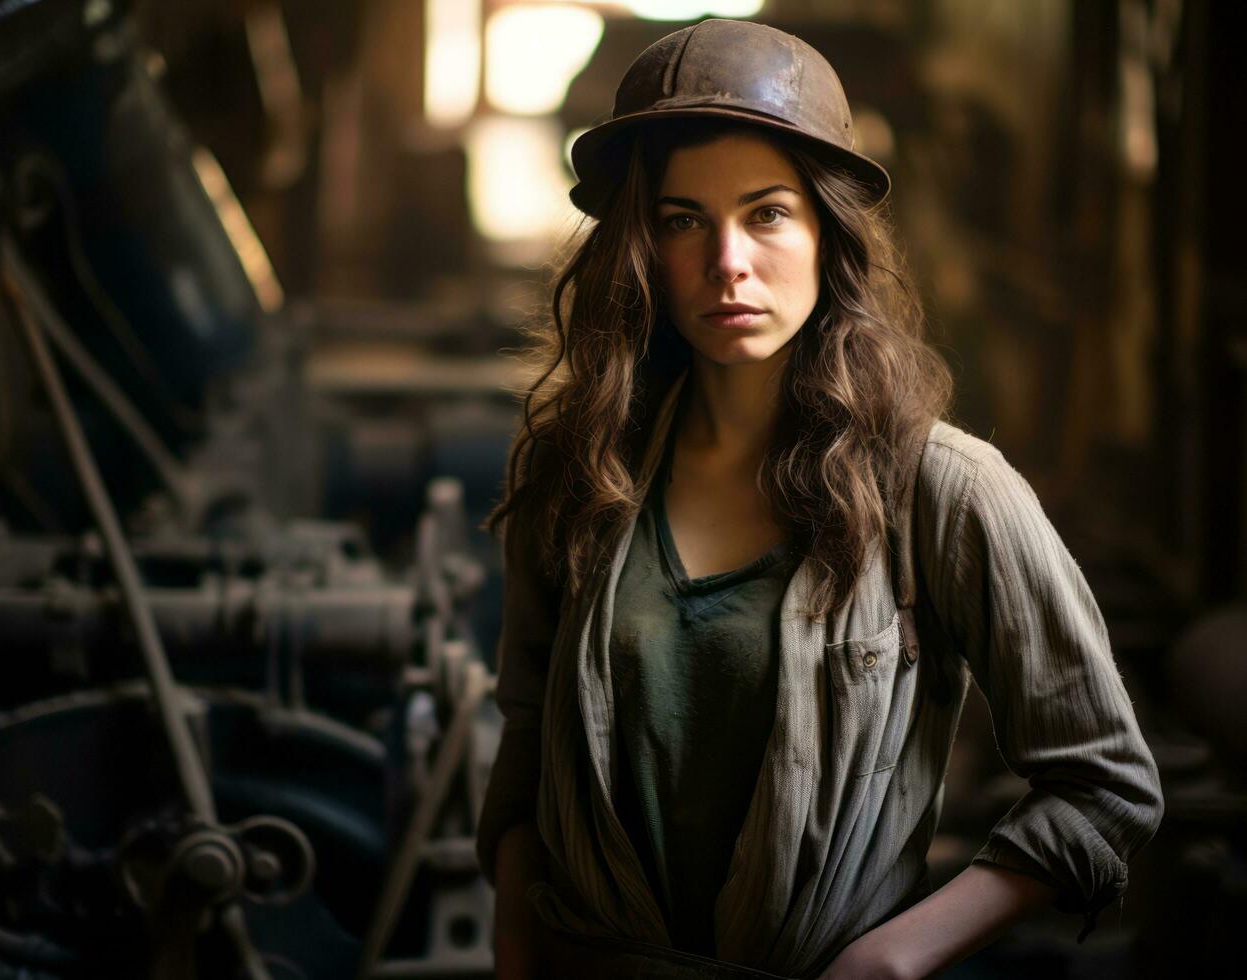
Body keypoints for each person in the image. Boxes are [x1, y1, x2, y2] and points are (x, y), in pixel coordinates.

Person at [475, 18, 1163, 980]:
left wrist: (891, 959)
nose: (727, 261)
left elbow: (1104, 783)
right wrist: (514, 948)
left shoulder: (942, 489)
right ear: (641, 247)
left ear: (826, 231)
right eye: (682, 220)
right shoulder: (581, 469)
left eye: (765, 213)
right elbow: (528, 735)